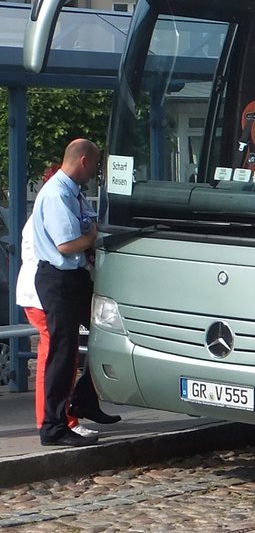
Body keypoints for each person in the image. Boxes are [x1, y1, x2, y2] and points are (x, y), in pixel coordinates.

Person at [30, 140, 121, 447]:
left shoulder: (72, 192)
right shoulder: (57, 194)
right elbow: (66, 244)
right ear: (83, 161)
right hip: (59, 279)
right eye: (95, 165)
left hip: (74, 277)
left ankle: (84, 397)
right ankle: (54, 426)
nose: (96, 172)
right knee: (62, 354)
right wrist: (94, 237)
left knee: (106, 332)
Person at [15, 165, 102, 440]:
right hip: (46, 292)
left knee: (70, 353)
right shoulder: (53, 204)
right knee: (57, 357)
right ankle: (58, 419)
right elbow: (64, 246)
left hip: (59, 286)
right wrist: (90, 238)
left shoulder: (61, 202)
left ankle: (76, 405)